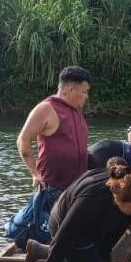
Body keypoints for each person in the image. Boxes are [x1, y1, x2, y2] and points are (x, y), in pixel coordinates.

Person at [13, 66, 91, 244]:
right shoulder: (47, 109)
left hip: (76, 187)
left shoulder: (75, 111)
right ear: (70, 89)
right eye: (84, 92)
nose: (86, 97)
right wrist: (35, 173)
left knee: (73, 234)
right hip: (53, 189)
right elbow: (22, 141)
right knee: (50, 235)